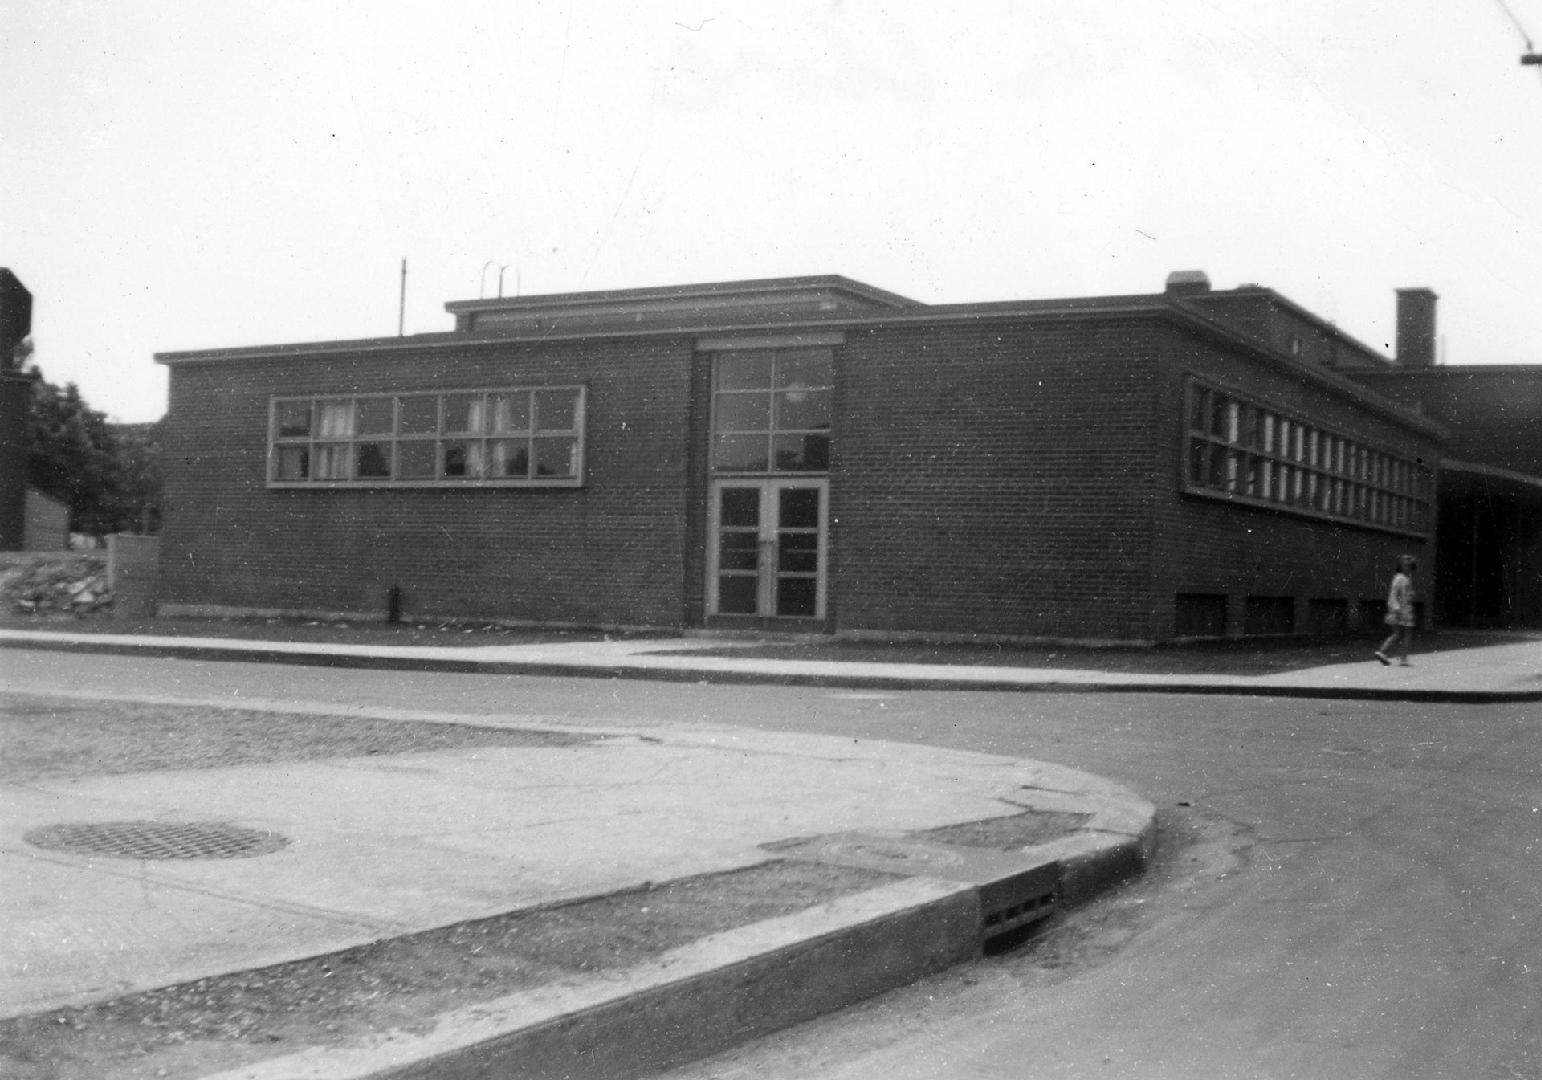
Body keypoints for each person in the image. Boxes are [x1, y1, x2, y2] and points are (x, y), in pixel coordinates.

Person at [1374, 555, 1417, 666]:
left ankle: (1382, 652)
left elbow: (1406, 593)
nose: (1407, 568)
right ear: (1400, 566)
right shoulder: (1399, 578)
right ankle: (1402, 658)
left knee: (1398, 633)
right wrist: (1396, 609)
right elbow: (1393, 595)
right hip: (1400, 610)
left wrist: (1411, 594)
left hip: (1405, 609)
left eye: (1409, 566)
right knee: (1403, 633)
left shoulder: (1407, 578)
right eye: (1405, 565)